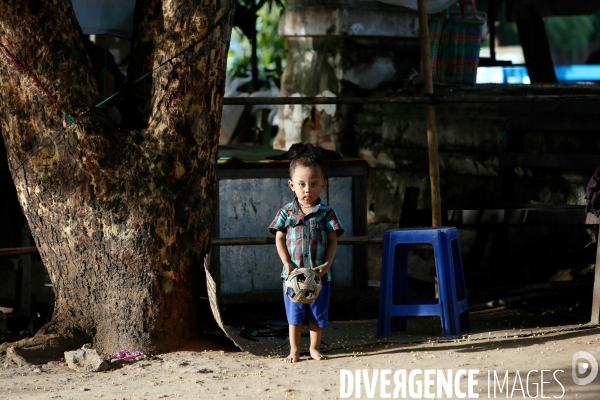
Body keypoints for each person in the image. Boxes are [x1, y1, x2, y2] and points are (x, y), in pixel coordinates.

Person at [268, 154, 344, 362]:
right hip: (292, 276)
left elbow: (333, 239)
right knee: (294, 315)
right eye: (301, 184)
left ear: (323, 186)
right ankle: (294, 349)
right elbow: (279, 238)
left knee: (317, 315)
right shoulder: (286, 212)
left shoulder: (327, 213)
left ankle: (314, 348)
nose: (307, 189)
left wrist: (328, 264)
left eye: (313, 184)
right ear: (292, 185)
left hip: (319, 277)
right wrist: (286, 262)